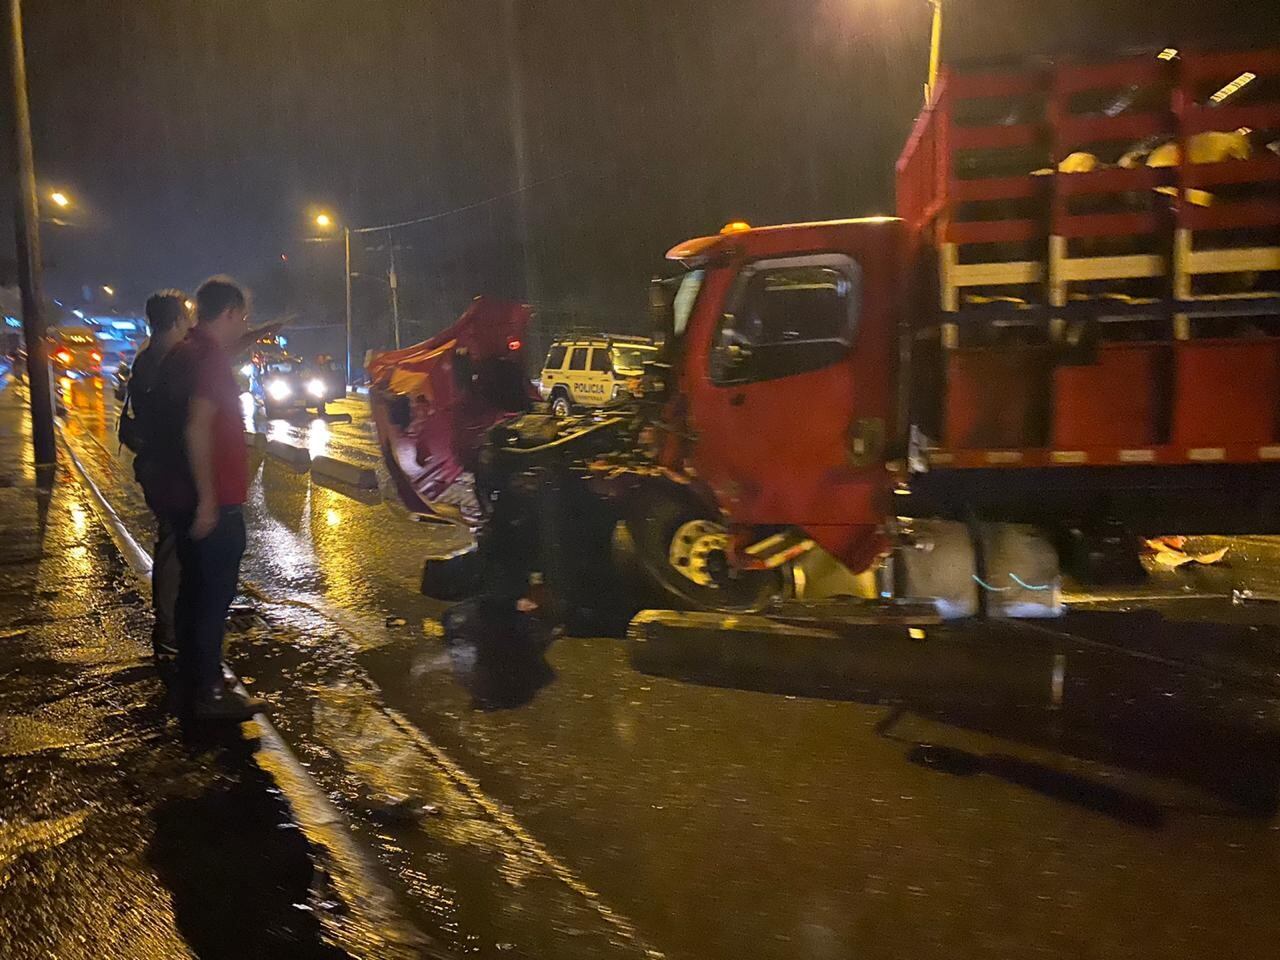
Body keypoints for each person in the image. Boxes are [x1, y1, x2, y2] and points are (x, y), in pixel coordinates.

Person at [152, 276, 266, 721]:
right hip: (212, 502)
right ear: (232, 313)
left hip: (181, 495)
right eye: (244, 318)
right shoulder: (211, 361)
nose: (244, 326)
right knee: (211, 599)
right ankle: (210, 695)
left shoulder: (184, 351)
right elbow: (197, 427)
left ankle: (191, 681)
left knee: (192, 594)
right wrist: (208, 500)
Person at [121, 290, 192, 661]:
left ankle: (172, 626)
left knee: (175, 543)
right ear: (178, 320)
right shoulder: (166, 362)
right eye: (186, 318)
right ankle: (168, 631)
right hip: (168, 468)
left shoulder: (148, 358)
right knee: (173, 547)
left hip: (155, 466)